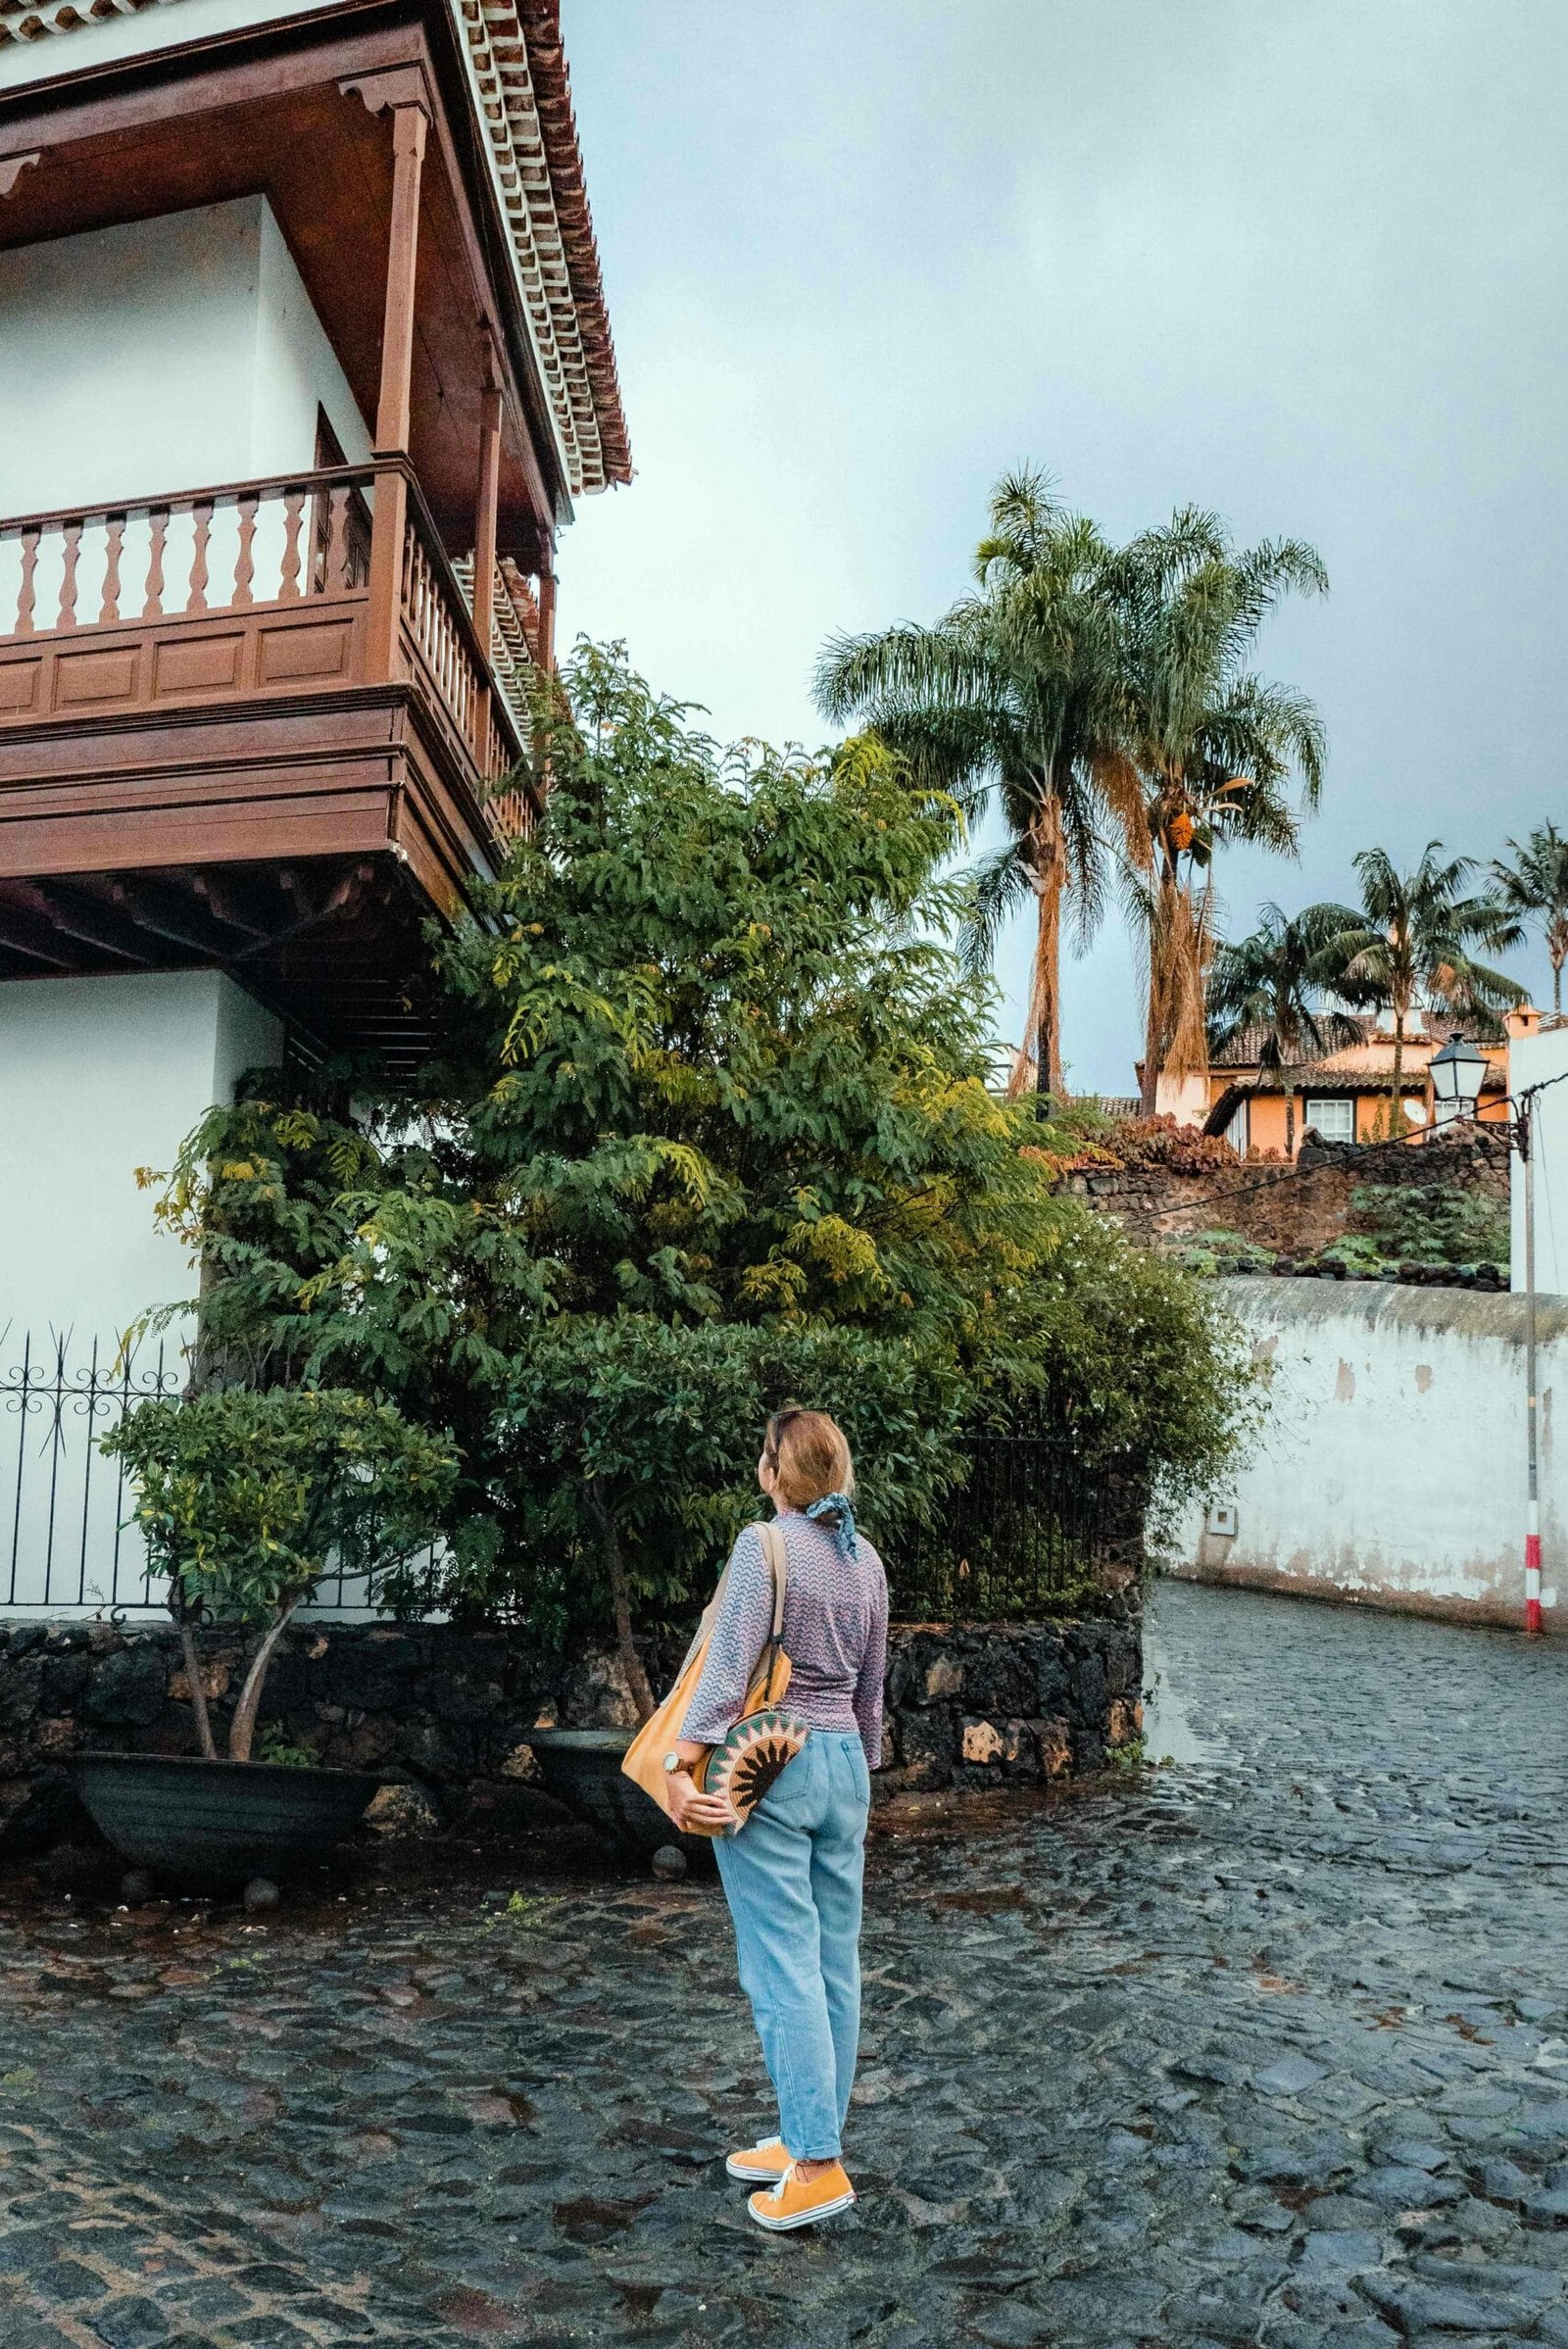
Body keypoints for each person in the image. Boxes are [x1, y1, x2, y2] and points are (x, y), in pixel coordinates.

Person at [663, 1407, 889, 2232]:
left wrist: (678, 1760)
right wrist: (856, 1775)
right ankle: (810, 2138)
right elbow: (872, 1693)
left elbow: (728, 1667)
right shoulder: (868, 1562)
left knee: (780, 1965)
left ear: (772, 1473)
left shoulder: (765, 1546)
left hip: (771, 1765)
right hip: (842, 1771)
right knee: (834, 1962)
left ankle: (819, 2165)